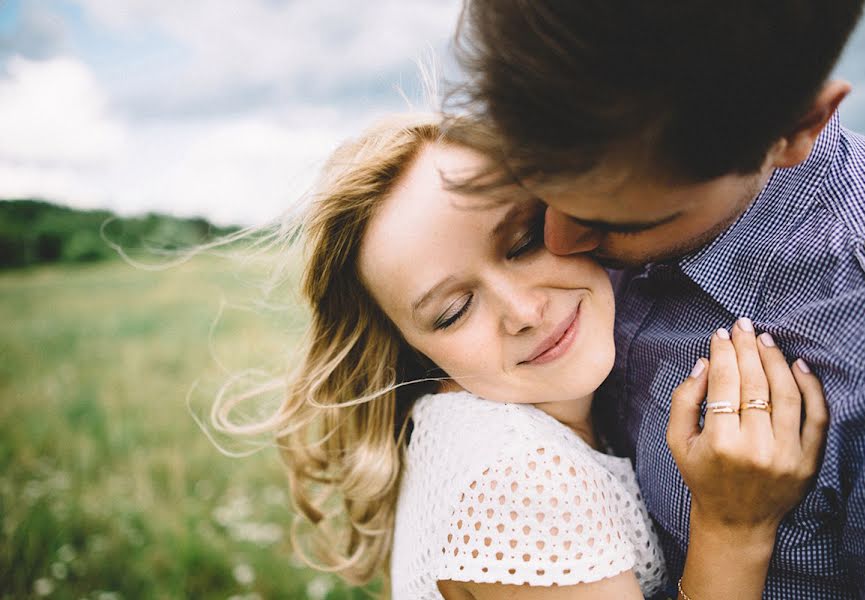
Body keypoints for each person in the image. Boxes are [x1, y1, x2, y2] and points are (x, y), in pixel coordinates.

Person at [215, 114, 829, 599]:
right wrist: (732, 530)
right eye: (453, 311)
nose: (524, 311)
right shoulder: (521, 482)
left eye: (525, 241)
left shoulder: (465, 417)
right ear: (413, 348)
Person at [448, 1, 865, 598]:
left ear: (797, 128)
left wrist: (734, 532)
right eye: (537, 197)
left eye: (615, 223)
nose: (559, 243)